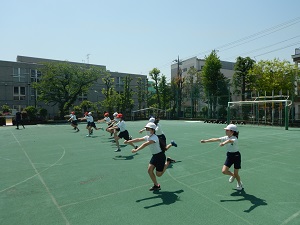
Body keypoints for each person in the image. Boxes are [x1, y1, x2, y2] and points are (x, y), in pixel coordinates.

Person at [125, 122, 176, 191]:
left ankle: (168, 162)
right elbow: (139, 139)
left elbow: (145, 144)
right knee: (149, 170)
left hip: (160, 156)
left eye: (148, 129)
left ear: (153, 130)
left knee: (159, 174)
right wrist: (129, 141)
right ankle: (156, 185)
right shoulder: (148, 137)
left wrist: (136, 150)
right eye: (146, 129)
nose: (147, 130)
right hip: (155, 156)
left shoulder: (154, 138)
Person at [200, 124, 243, 190]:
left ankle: (239, 183)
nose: (225, 131)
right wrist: (206, 141)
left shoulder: (235, 138)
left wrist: (223, 143)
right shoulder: (225, 137)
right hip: (229, 156)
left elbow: (229, 141)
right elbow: (216, 139)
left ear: (232, 132)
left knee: (236, 173)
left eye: (227, 130)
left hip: (236, 156)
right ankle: (233, 175)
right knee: (224, 171)